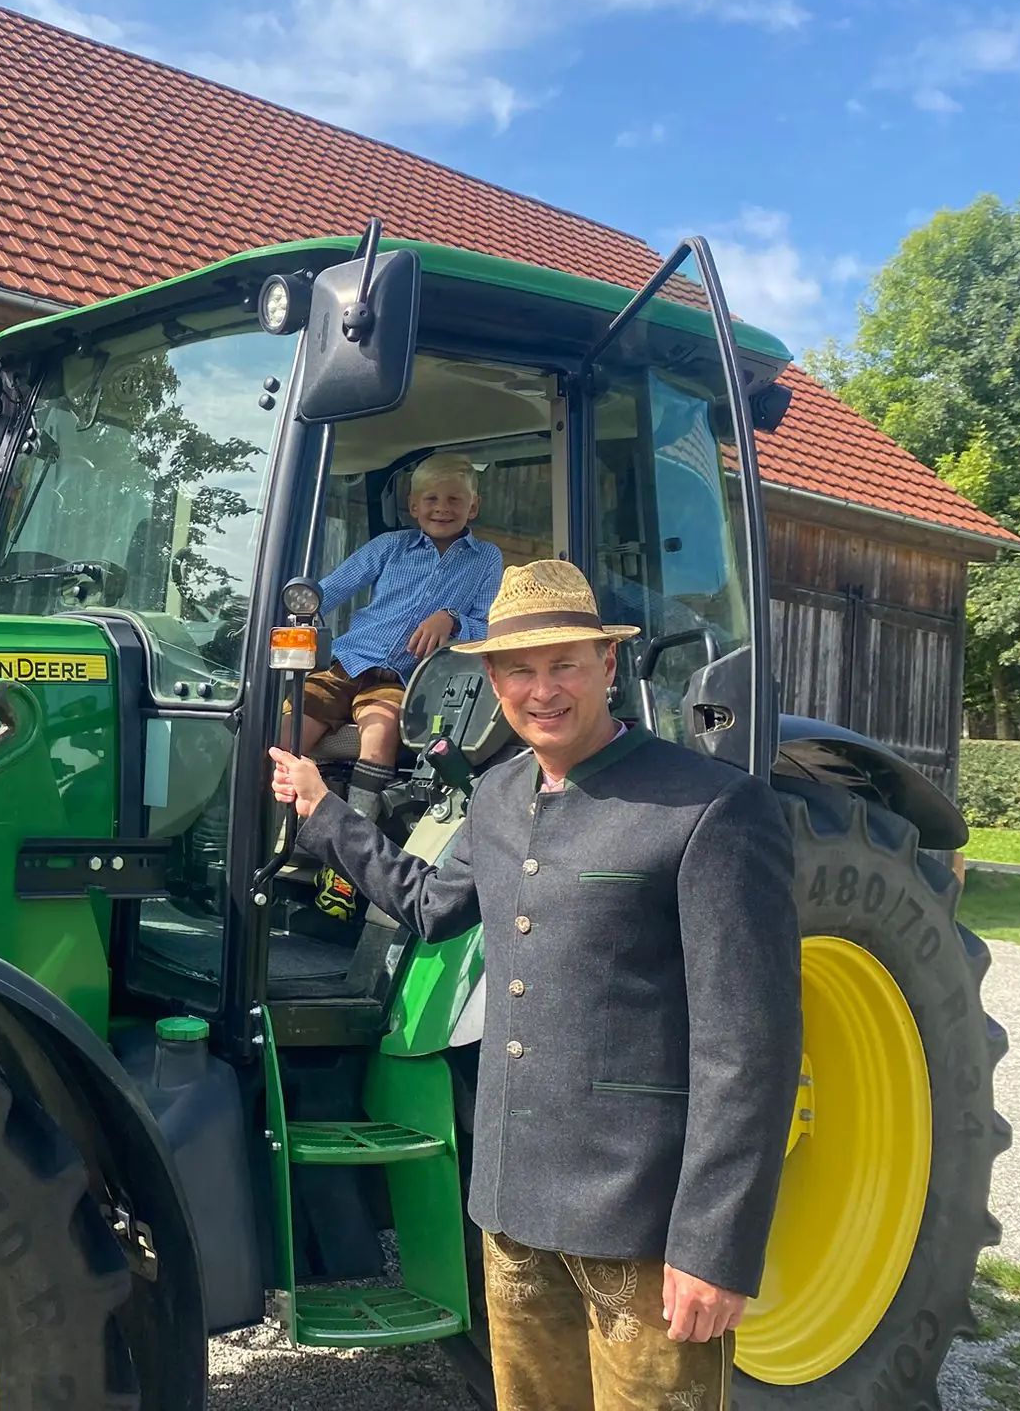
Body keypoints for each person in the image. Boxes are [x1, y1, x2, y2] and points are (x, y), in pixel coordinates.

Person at [269, 559, 801, 1411]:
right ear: (492, 681)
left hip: (640, 1224)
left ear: (607, 664)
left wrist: (714, 1245)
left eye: (564, 665)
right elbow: (431, 905)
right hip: (512, 1212)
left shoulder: (709, 808)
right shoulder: (499, 792)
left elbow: (748, 1049)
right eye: (518, 669)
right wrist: (323, 812)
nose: (542, 689)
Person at [297, 452, 502, 820]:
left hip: (401, 679)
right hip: (346, 663)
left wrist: (452, 620)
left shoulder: (486, 558)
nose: (442, 508)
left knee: (381, 732)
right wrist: (291, 611)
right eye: (431, 498)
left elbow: (489, 627)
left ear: (474, 507)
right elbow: (327, 592)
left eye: (454, 499)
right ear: (413, 505)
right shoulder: (390, 546)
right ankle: (276, 824)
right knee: (286, 732)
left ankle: (356, 828)